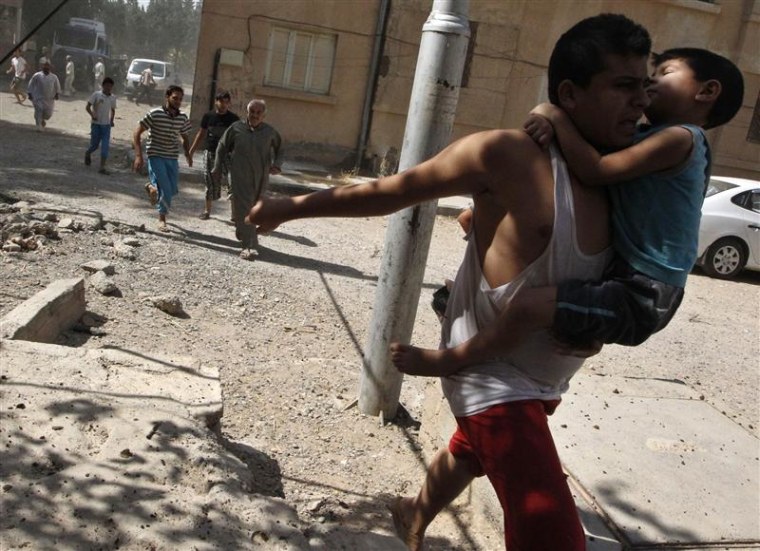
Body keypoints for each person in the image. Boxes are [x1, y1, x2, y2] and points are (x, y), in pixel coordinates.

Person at [246, 13, 651, 550]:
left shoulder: (621, 176)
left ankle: (414, 511)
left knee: (470, 450)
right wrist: (287, 207)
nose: (641, 102)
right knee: (551, 534)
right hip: (487, 373)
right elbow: (391, 191)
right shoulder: (505, 155)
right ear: (570, 94)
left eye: (644, 86)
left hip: (547, 380)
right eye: (624, 87)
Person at [391, 47, 745, 378]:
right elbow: (583, 147)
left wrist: (555, 115)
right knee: (521, 257)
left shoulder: (682, 138)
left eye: (665, 72)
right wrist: (548, 122)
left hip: (644, 293)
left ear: (707, 91)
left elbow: (596, 169)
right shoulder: (646, 136)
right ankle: (569, 325)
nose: (649, 82)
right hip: (619, 269)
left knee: (529, 306)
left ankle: (456, 359)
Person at [213, 98, 282, 260]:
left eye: (259, 113)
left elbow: (281, 148)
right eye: (252, 112)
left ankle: (241, 227)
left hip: (261, 177)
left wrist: (277, 164)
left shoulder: (270, 132)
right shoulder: (236, 128)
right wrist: (217, 167)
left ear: (264, 115)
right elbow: (222, 146)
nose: (255, 115)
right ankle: (249, 246)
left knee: (255, 208)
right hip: (239, 175)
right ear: (247, 112)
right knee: (244, 207)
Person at [132, 85, 192, 232]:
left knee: (172, 189)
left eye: (180, 99)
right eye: (175, 98)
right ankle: (162, 219)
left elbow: (185, 137)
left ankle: (151, 187)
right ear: (167, 97)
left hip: (172, 157)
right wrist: (139, 156)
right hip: (155, 155)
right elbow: (137, 133)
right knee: (165, 188)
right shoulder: (155, 114)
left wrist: (188, 154)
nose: (178, 101)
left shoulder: (182, 117)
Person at [188, 90, 239, 220]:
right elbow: (201, 134)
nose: (223, 105)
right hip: (210, 152)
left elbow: (238, 138)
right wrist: (191, 151)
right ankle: (207, 211)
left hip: (228, 154)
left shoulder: (234, 119)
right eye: (221, 101)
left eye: (226, 102)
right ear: (216, 101)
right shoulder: (208, 116)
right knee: (209, 180)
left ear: (229, 104)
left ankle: (234, 214)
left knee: (233, 182)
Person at [85, 77, 117, 175]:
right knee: (94, 145)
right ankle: (88, 153)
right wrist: (92, 114)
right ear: (103, 85)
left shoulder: (112, 98)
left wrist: (111, 120)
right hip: (96, 124)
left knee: (105, 146)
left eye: (110, 86)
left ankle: (102, 167)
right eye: (106, 85)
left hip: (106, 126)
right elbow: (87, 107)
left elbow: (113, 110)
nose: (108, 88)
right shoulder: (96, 95)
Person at [27, 61, 61, 132]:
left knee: (48, 114)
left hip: (49, 99)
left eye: (48, 66)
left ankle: (42, 119)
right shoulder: (37, 75)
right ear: (42, 67)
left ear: (50, 68)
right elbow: (31, 84)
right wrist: (30, 94)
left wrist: (57, 94)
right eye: (45, 66)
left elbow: (57, 86)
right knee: (38, 111)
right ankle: (38, 127)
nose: (46, 67)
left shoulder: (54, 77)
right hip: (38, 98)